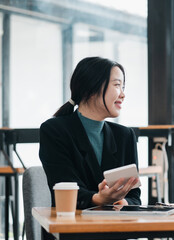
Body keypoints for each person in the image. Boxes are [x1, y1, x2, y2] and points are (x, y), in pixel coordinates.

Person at [39, 56, 141, 211]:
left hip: (116, 228)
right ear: (92, 89)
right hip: (73, 228)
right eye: (117, 85)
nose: (122, 94)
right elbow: (64, 189)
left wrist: (124, 203)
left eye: (123, 87)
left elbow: (134, 197)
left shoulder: (125, 136)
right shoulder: (54, 131)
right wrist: (98, 199)